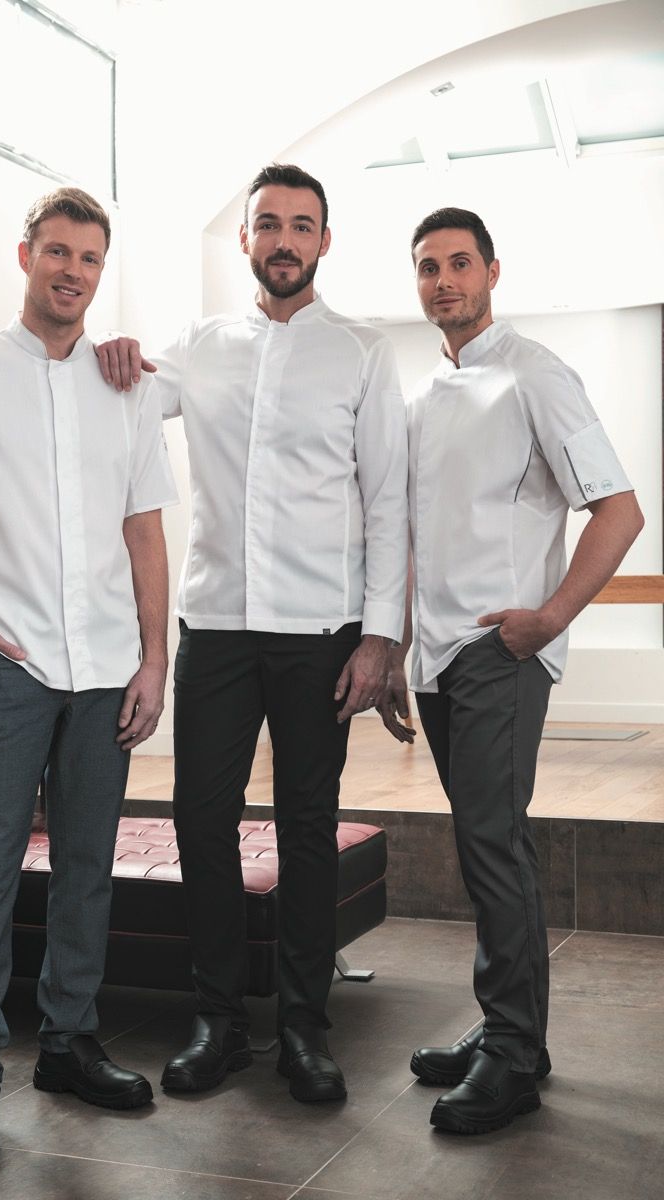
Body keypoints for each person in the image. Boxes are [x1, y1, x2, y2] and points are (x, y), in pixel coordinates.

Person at [97, 163, 412, 1103]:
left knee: (309, 826)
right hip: (218, 625)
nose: (284, 240)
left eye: (301, 225)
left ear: (324, 241)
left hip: (323, 630)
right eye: (268, 223)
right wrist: (110, 354)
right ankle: (219, 1020)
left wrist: (381, 636)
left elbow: (388, 501)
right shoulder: (201, 347)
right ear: (245, 238)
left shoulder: (362, 352)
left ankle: (305, 1028)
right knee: (201, 818)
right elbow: (123, 399)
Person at [0, 187, 178, 1165]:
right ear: (26, 256)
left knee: (87, 868)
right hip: (5, 671)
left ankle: (68, 1043)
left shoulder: (125, 387)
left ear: (101, 271)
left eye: (90, 258)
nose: (73, 271)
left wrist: (153, 659)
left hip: (104, 669)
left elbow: (145, 532)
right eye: (58, 252)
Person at [380, 207, 644, 1134]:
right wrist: (397, 650)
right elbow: (412, 538)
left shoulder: (537, 374)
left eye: (460, 263)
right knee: (483, 844)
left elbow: (619, 509)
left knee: (492, 844)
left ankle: (514, 1055)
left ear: (493, 272)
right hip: (436, 659)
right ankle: (510, 1031)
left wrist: (549, 619)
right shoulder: (422, 398)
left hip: (500, 651)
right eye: (428, 267)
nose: (444, 280)